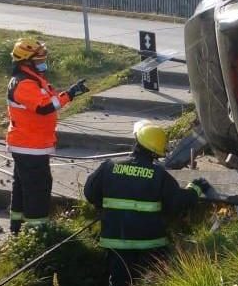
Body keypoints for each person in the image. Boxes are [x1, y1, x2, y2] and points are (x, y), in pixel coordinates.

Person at [84, 120, 211, 286]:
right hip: (151, 244)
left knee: (119, 281)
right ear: (156, 153)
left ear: (136, 141)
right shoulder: (158, 174)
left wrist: (107, 206)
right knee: (152, 280)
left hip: (116, 242)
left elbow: (90, 193)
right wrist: (196, 188)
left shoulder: (109, 167)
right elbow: (177, 203)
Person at [7, 38, 89, 234]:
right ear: (26, 61)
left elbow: (46, 100)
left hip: (29, 145)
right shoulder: (24, 83)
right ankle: (38, 232)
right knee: (38, 189)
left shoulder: (30, 79)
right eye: (40, 58)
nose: (43, 62)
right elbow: (44, 107)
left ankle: (17, 228)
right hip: (30, 146)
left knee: (23, 187)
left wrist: (70, 93)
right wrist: (69, 94)